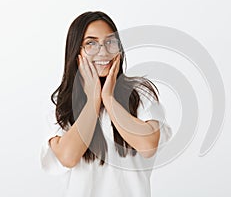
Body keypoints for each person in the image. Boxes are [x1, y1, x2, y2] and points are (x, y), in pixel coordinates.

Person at [40, 11, 172, 197]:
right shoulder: (62, 105)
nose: (103, 51)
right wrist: (93, 100)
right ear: (76, 51)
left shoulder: (139, 93)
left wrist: (108, 98)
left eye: (110, 42)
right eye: (91, 43)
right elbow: (68, 157)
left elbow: (148, 146)